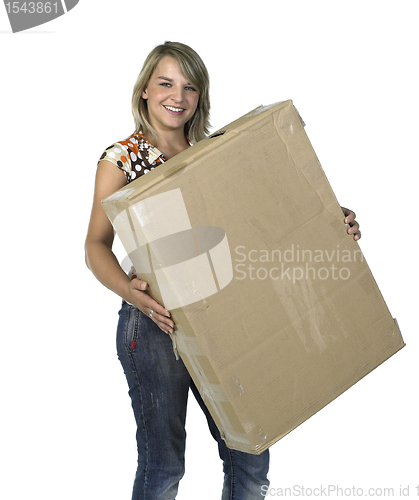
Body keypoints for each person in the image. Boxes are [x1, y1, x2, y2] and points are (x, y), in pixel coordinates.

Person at [84, 41, 361, 500]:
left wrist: (330, 220)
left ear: (200, 96)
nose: (178, 95)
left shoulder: (213, 155)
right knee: (164, 464)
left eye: (190, 86)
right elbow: (95, 245)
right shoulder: (121, 159)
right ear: (146, 91)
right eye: (166, 83)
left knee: (251, 454)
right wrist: (134, 295)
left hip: (222, 314)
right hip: (156, 321)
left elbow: (265, 219)